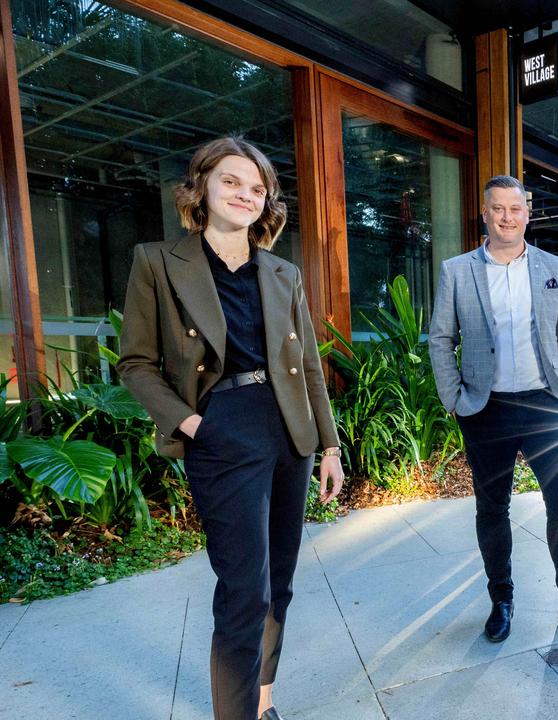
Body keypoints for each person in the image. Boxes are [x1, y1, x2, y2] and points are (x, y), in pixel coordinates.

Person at [119, 136, 344, 720]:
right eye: (231, 182)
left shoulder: (281, 272)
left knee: (281, 584)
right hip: (220, 428)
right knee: (245, 591)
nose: (245, 194)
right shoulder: (157, 262)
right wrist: (191, 422)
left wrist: (329, 446)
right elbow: (135, 363)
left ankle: (263, 699)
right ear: (203, 188)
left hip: (288, 430)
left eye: (257, 187)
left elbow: (310, 365)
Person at [428, 175, 558, 642]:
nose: (506, 217)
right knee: (492, 508)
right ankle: (502, 600)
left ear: (527, 214)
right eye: (497, 209)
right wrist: (454, 396)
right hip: (486, 409)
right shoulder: (458, 271)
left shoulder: (554, 267)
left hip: (544, 406)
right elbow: (440, 338)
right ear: (485, 213)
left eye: (515, 209)